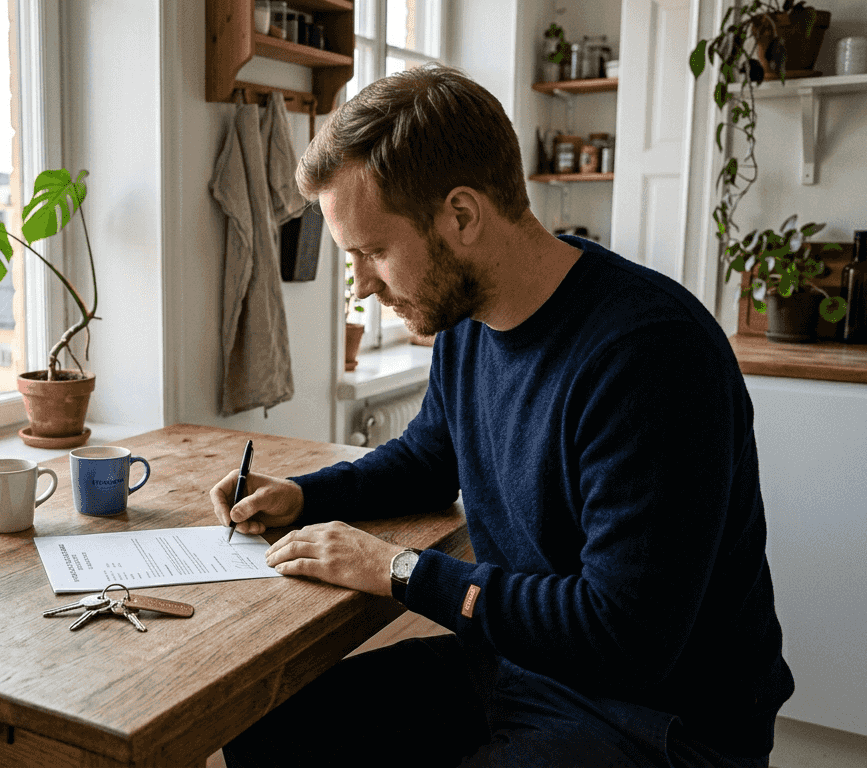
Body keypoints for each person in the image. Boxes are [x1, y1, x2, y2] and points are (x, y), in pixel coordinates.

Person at [209, 65, 792, 768]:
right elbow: (428, 458)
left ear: (461, 215)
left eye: (374, 252)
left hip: (660, 720)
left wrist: (399, 570)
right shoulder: (467, 321)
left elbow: (625, 637)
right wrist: (303, 495)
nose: (360, 285)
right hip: (524, 667)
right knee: (264, 727)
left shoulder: (651, 356)